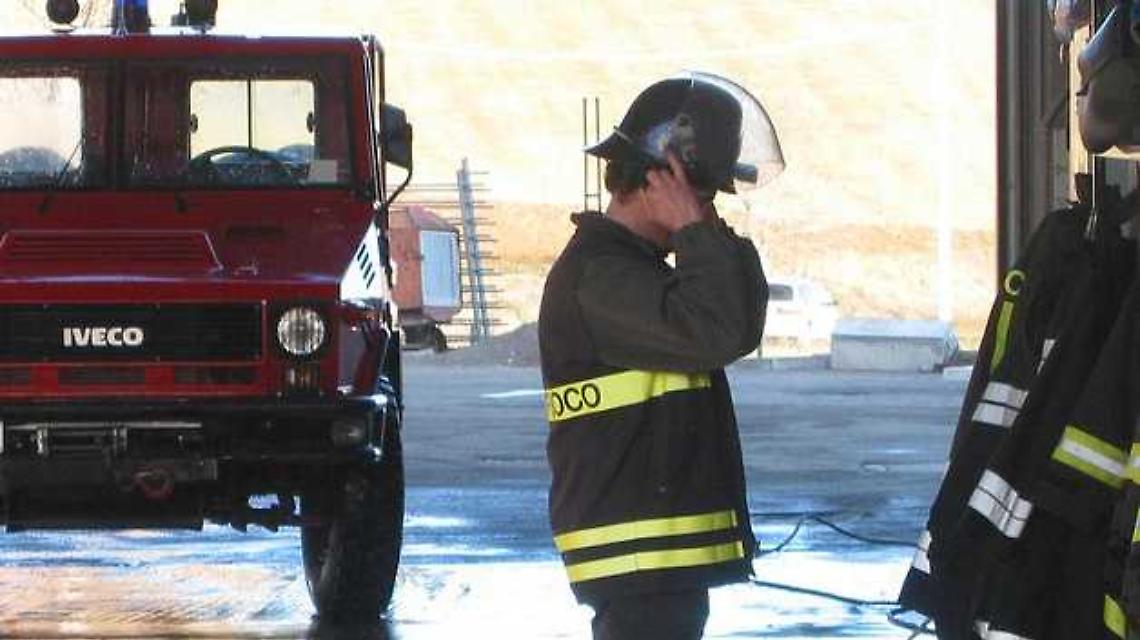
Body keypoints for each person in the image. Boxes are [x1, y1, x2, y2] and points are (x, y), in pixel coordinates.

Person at [538, 72, 785, 640]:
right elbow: (718, 332)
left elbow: (740, 324)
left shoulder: (635, 271)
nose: (704, 209)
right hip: (636, 555)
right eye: (701, 193)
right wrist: (697, 235)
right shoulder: (601, 278)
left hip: (652, 556)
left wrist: (705, 236)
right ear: (659, 178)